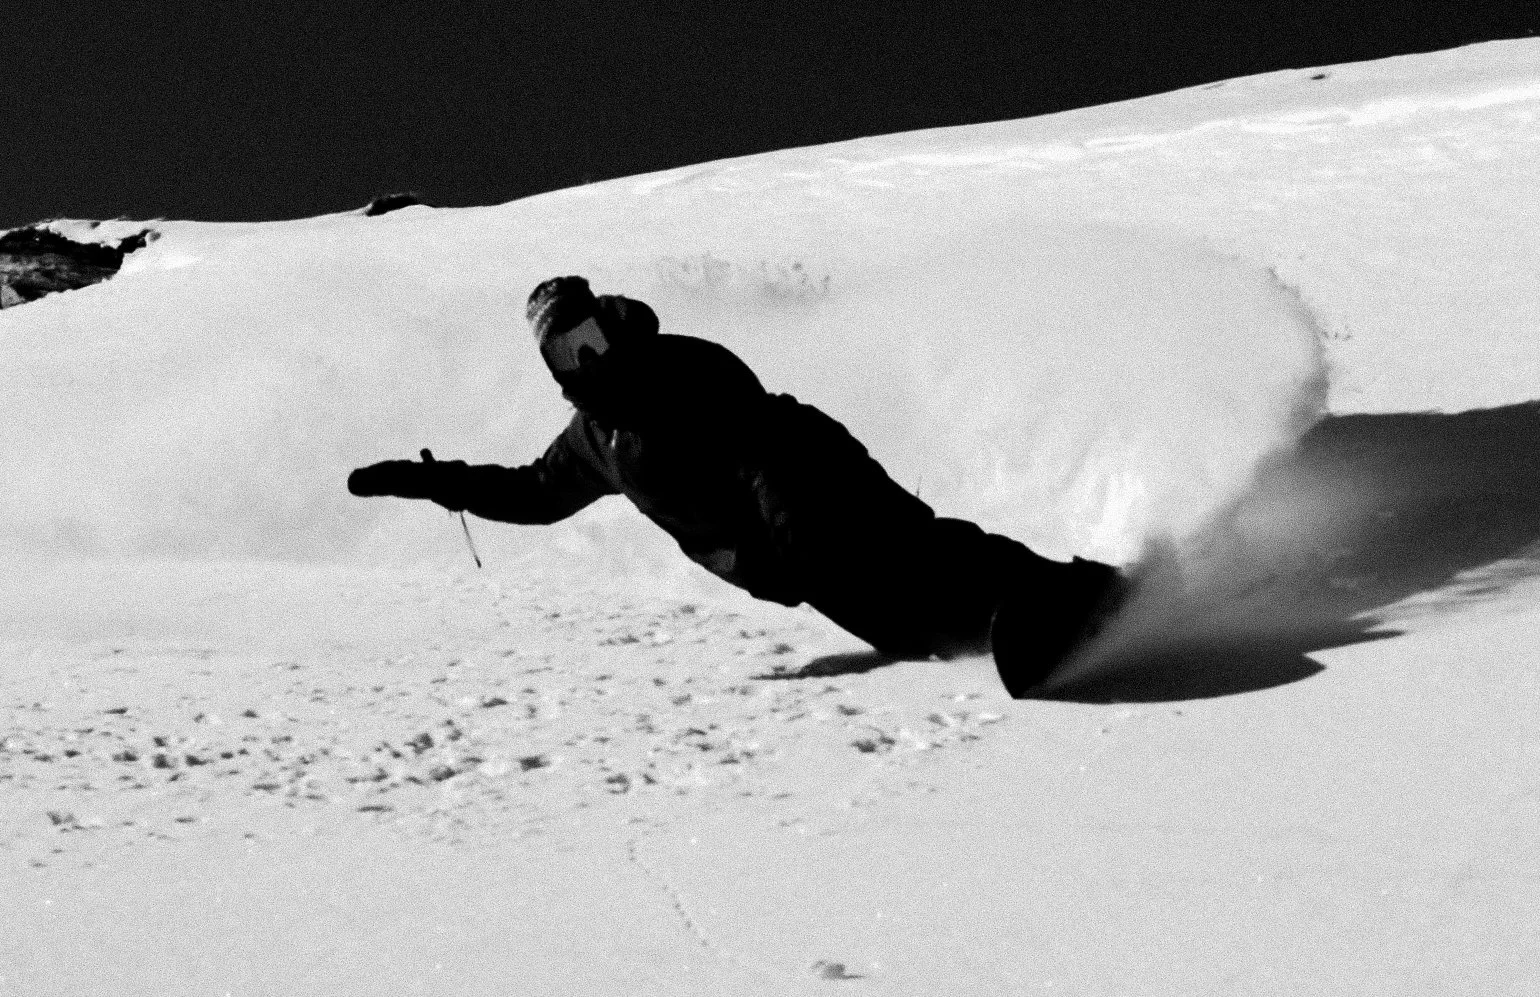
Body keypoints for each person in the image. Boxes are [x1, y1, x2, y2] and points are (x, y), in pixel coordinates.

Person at [348, 276, 1120, 671]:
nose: (584, 359)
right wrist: (440, 482)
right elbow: (534, 494)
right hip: (783, 560)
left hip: (815, 477)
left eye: (586, 336)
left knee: (910, 553)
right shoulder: (594, 440)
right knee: (900, 624)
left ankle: (1063, 595)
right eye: (563, 352)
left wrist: (794, 536)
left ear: (607, 322)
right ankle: (1013, 633)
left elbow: (758, 448)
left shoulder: (676, 366)